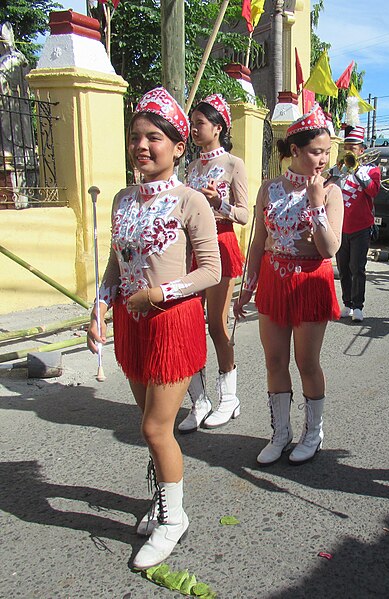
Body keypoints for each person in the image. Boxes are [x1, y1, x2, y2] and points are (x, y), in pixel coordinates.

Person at [87, 87, 221, 569]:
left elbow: (211, 271)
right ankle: (162, 500)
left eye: (154, 138)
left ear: (179, 146)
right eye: (135, 137)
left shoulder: (192, 201)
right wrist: (99, 309)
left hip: (171, 323)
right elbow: (114, 265)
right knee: (150, 427)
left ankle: (173, 519)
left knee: (154, 426)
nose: (141, 146)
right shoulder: (123, 199)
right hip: (131, 323)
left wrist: (158, 295)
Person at [234, 104, 343, 466]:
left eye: (327, 151)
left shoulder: (331, 193)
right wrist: (246, 288)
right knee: (275, 360)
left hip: (311, 281)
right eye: (316, 151)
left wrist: (315, 206)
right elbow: (257, 242)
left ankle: (314, 433)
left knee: (306, 361)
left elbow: (329, 250)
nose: (323, 159)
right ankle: (281, 433)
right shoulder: (269, 189)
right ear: (294, 151)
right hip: (273, 282)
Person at [177, 94, 249, 433]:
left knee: (216, 325)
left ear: (218, 128)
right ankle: (199, 400)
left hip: (220, 245)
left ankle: (229, 398)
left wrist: (220, 202)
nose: (193, 128)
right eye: (192, 123)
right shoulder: (190, 168)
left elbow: (245, 215)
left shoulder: (234, 164)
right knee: (189, 324)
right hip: (190, 250)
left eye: (200, 123)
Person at [333, 125, 381, 322]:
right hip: (340, 226)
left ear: (361, 150)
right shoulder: (339, 169)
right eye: (346, 147)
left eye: (352, 147)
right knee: (343, 267)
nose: (348, 151)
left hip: (361, 226)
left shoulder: (372, 170)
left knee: (357, 266)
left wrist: (358, 170)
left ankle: (358, 305)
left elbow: (373, 191)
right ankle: (347, 304)